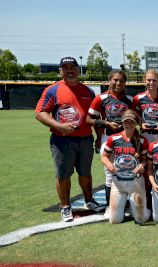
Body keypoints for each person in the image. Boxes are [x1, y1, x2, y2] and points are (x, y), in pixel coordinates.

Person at [35, 57, 103, 222]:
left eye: (73, 67)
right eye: (65, 67)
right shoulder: (53, 89)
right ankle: (65, 206)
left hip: (85, 139)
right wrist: (59, 126)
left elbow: (93, 116)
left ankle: (89, 201)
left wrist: (99, 136)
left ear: (78, 70)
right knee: (63, 175)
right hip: (62, 140)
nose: (70, 70)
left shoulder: (88, 91)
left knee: (85, 173)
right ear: (60, 71)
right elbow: (40, 113)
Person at [86, 70, 133, 211]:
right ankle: (110, 207)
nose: (118, 83)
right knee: (110, 173)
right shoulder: (101, 98)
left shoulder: (130, 99)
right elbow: (89, 119)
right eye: (115, 80)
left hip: (127, 138)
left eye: (122, 81)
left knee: (127, 170)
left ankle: (127, 204)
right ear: (110, 80)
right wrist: (106, 124)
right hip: (109, 138)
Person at [101, 110, 151, 224]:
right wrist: (109, 164)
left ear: (136, 123)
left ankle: (144, 209)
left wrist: (142, 165)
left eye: (131, 122)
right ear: (122, 123)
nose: (128, 125)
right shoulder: (113, 139)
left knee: (141, 219)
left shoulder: (142, 140)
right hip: (118, 182)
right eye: (126, 122)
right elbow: (104, 156)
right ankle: (125, 207)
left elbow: (145, 160)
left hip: (136, 182)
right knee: (114, 220)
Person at [132, 69, 158, 143]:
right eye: (149, 80)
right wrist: (141, 124)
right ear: (144, 81)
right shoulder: (138, 98)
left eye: (154, 80)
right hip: (145, 135)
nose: (151, 82)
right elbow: (134, 116)